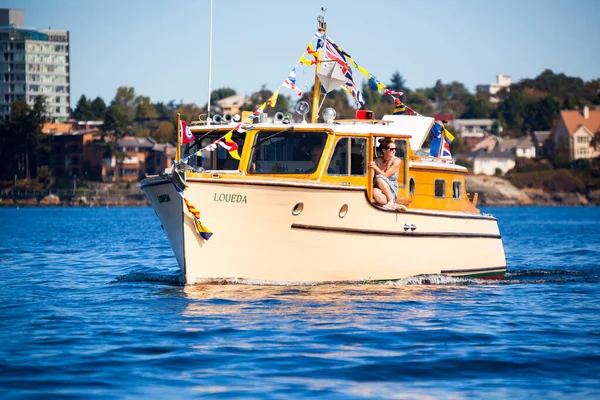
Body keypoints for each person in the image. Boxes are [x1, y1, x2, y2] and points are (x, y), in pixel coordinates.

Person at [369, 138, 400, 209]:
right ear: (384, 150)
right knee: (374, 191)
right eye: (392, 149)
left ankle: (391, 201)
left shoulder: (396, 161)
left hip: (391, 188)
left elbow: (386, 175)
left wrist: (375, 167)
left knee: (379, 178)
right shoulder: (377, 161)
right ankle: (389, 206)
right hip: (378, 187)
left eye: (395, 149)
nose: (394, 151)